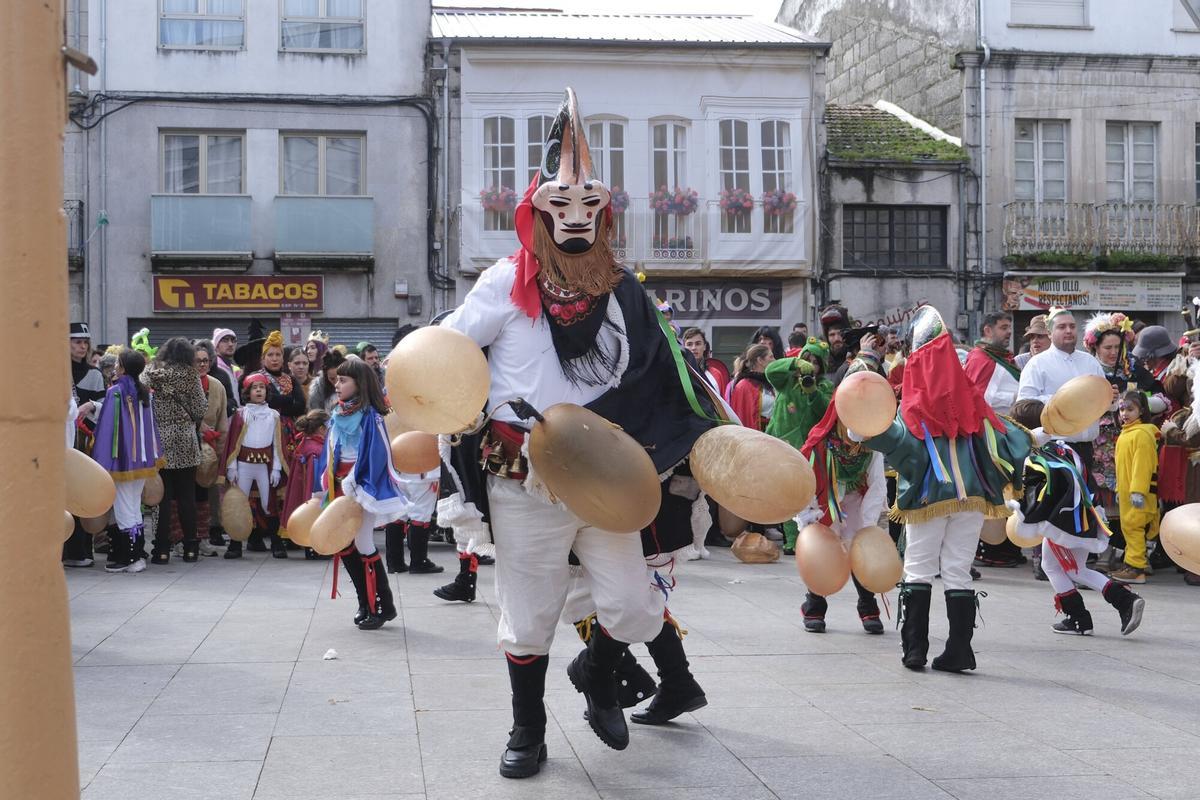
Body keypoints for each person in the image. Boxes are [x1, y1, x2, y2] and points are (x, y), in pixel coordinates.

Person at [437, 89, 716, 778]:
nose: (575, 218)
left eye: (589, 205)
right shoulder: (505, 282)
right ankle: (527, 730)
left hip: (609, 476)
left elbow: (661, 372)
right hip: (525, 476)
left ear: (604, 214)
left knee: (633, 606)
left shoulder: (623, 290)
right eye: (560, 205)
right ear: (537, 212)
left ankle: (596, 672)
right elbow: (448, 352)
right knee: (530, 613)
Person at [851, 306, 1030, 673]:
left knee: (918, 568)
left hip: (928, 497)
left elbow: (890, 439)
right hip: (972, 498)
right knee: (957, 571)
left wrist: (861, 428)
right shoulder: (971, 401)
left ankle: (914, 650)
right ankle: (959, 651)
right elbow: (1008, 437)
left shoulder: (914, 405)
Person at [1006, 399, 1144, 636]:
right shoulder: (1063, 448)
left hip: (1062, 522)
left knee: (1053, 566)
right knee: (1075, 569)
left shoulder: (1035, 456)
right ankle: (1094, 613)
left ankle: (1089, 614)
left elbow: (1033, 492)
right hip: (1085, 516)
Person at [313, 357, 407, 630]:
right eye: (337, 380)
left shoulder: (371, 416)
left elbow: (378, 454)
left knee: (363, 543)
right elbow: (331, 450)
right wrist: (325, 482)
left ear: (360, 383)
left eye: (343, 380)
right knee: (344, 544)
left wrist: (354, 481)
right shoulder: (338, 413)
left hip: (362, 486)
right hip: (339, 486)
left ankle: (382, 605)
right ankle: (364, 602)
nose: (337, 384)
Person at [797, 368, 888, 634]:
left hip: (857, 498)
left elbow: (877, 485)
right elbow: (806, 482)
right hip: (824, 501)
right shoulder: (819, 443)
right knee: (823, 549)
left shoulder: (872, 445)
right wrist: (810, 514)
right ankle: (814, 606)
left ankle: (867, 605)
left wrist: (868, 527)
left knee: (860, 548)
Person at [90, 350, 164, 573]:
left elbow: (106, 429)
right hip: (142, 460)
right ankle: (137, 554)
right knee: (133, 506)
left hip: (122, 459)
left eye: (118, 364)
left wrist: (101, 459)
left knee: (123, 508)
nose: (115, 367)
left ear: (122, 368)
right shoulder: (145, 393)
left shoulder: (115, 393)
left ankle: (130, 558)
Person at [763, 340, 834, 554]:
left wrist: (813, 392)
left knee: (809, 494)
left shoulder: (824, 386)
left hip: (809, 449)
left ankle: (810, 537)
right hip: (782, 445)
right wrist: (795, 363)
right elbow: (770, 370)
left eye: (815, 362)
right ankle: (792, 540)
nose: (811, 366)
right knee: (786, 493)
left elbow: (826, 413)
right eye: (807, 360)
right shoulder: (787, 381)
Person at [143, 337, 209, 564]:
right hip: (185, 441)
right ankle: (191, 548)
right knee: (186, 497)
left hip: (159, 442)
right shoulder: (191, 375)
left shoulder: (151, 372)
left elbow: (143, 398)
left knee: (161, 497)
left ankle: (161, 550)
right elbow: (200, 409)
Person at [1082, 313, 1137, 571]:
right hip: (1096, 442)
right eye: (1108, 347)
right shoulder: (1088, 369)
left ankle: (1118, 550)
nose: (1114, 352)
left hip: (1123, 442)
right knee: (1100, 497)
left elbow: (1154, 393)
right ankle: (1100, 551)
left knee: (1119, 497)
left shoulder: (1130, 368)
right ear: (1096, 347)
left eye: (1117, 347)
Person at [224, 374, 286, 559]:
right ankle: (235, 545)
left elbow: (277, 445)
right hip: (243, 465)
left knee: (268, 504)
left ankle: (276, 543)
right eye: (254, 387)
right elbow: (233, 442)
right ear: (247, 392)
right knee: (239, 503)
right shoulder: (240, 414)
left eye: (262, 387)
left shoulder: (274, 415)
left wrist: (276, 468)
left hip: (264, 467)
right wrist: (232, 467)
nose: (259, 390)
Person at [64, 322, 108, 568]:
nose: (82, 346)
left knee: (82, 493)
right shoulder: (57, 371)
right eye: (76, 342)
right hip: (62, 441)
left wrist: (91, 405)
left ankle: (82, 551)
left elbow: (105, 405)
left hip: (85, 441)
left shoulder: (95, 374)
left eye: (84, 342)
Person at [1111, 391, 1160, 585]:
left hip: (1139, 494)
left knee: (1134, 528)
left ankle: (1136, 569)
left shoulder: (1142, 435)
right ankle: (1133, 564)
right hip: (1127, 494)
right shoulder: (1126, 434)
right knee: (1130, 528)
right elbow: (1122, 468)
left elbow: (1142, 466)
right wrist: (1119, 489)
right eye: (1122, 409)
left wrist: (1138, 491)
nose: (1124, 414)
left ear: (1141, 411)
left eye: (1130, 409)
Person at [194, 341, 229, 553]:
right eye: (197, 361)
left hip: (210, 450)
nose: (202, 365)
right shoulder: (184, 384)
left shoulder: (217, 386)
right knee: (185, 495)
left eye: (205, 361)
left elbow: (223, 422)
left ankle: (204, 536)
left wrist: (220, 453)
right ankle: (183, 539)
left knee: (206, 495)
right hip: (187, 447)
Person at [280, 409, 329, 560]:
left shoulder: (306, 442)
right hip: (310, 490)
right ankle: (312, 548)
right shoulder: (315, 449)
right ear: (321, 429)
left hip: (301, 488)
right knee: (311, 516)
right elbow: (313, 478)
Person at [726, 344, 773, 432]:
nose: (774, 360)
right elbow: (741, 417)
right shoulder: (743, 386)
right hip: (756, 435)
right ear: (760, 360)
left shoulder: (771, 383)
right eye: (771, 357)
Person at [681, 327, 730, 395]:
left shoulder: (716, 374)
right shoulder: (679, 373)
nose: (694, 348)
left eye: (698, 344)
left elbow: (721, 400)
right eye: (689, 344)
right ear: (683, 347)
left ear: (704, 346)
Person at [211, 328, 240, 409]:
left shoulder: (234, 368)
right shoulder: (214, 368)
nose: (230, 344)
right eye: (225, 340)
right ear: (216, 345)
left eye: (233, 340)